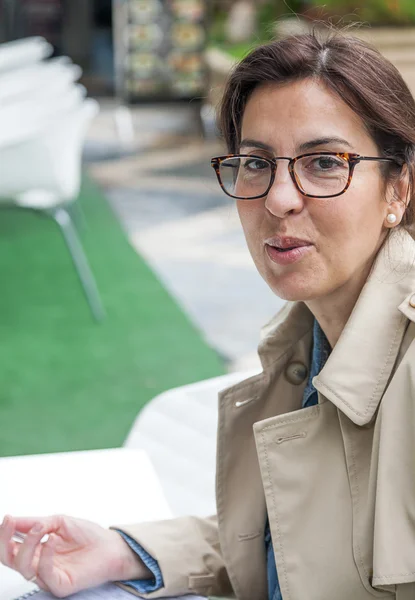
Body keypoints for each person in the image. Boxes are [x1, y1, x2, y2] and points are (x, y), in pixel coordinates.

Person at [2, 27, 415, 600]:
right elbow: (299, 546)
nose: (279, 198)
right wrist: (125, 551)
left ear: (398, 189)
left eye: (324, 163)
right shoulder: (304, 344)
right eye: (255, 163)